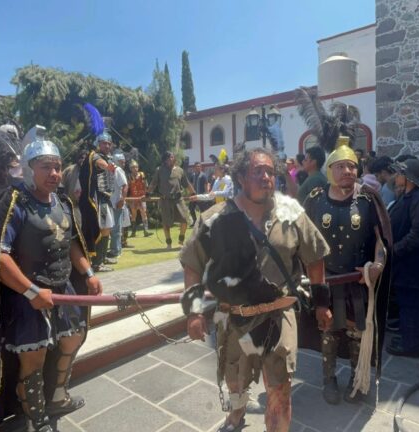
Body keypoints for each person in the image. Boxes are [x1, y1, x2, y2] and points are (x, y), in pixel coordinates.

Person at [181, 147, 329, 432]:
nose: (266, 177)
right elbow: (192, 265)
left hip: (278, 315)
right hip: (234, 318)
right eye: (257, 171)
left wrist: (322, 302)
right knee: (235, 380)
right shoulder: (214, 219)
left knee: (279, 391)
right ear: (239, 177)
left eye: (270, 172)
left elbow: (315, 257)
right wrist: (194, 313)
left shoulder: (292, 214)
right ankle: (236, 414)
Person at [0, 134, 102, 432]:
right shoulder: (14, 204)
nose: (53, 173)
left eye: (57, 167)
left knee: (72, 339)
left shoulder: (63, 202)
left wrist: (88, 273)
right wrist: (31, 290)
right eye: (45, 167)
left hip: (62, 287)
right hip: (27, 293)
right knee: (33, 359)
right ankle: (36, 419)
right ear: (29, 168)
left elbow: (72, 243)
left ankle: (57, 397)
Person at [302, 137, 393, 405]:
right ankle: (329, 379)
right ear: (330, 170)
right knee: (328, 331)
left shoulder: (368, 198)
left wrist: (378, 264)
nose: (348, 172)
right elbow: (303, 239)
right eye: (341, 166)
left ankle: (357, 377)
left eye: (352, 166)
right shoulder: (315, 199)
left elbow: (381, 238)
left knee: (357, 331)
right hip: (325, 280)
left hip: (359, 280)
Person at [386, 159, 419, 358]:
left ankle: (412, 345)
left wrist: (395, 250)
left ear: (407, 177)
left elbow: (418, 234)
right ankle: (409, 338)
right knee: (407, 302)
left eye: (400, 173)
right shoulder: (406, 197)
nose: (397, 177)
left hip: (411, 262)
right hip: (403, 262)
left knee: (412, 303)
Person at [78, 131, 117, 272]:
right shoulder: (94, 156)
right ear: (98, 144)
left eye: (109, 143)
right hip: (96, 200)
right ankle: (97, 263)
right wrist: (107, 166)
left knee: (107, 229)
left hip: (105, 198)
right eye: (104, 143)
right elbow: (98, 163)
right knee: (104, 229)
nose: (107, 145)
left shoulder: (107, 157)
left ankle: (102, 257)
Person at [147, 151, 195, 248]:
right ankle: (169, 243)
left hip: (178, 199)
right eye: (169, 158)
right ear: (165, 160)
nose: (171, 159)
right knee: (166, 223)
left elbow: (187, 184)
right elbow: (153, 183)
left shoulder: (180, 170)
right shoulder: (159, 170)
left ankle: (181, 240)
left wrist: (193, 193)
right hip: (165, 200)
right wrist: (147, 193)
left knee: (185, 219)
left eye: (172, 157)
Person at [107, 152, 128, 259]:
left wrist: (122, 199)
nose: (123, 163)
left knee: (116, 229)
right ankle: (113, 249)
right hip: (109, 203)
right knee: (109, 229)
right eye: (121, 161)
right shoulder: (109, 170)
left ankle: (116, 251)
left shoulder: (118, 170)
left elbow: (125, 186)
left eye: (124, 162)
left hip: (116, 203)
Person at [126, 160, 151, 237]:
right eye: (133, 167)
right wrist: (127, 198)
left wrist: (147, 194)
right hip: (133, 198)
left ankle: (146, 231)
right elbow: (127, 187)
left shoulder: (142, 175)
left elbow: (145, 185)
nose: (135, 169)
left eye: (136, 167)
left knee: (143, 213)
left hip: (141, 197)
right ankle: (133, 231)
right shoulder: (129, 176)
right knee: (134, 214)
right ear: (130, 168)